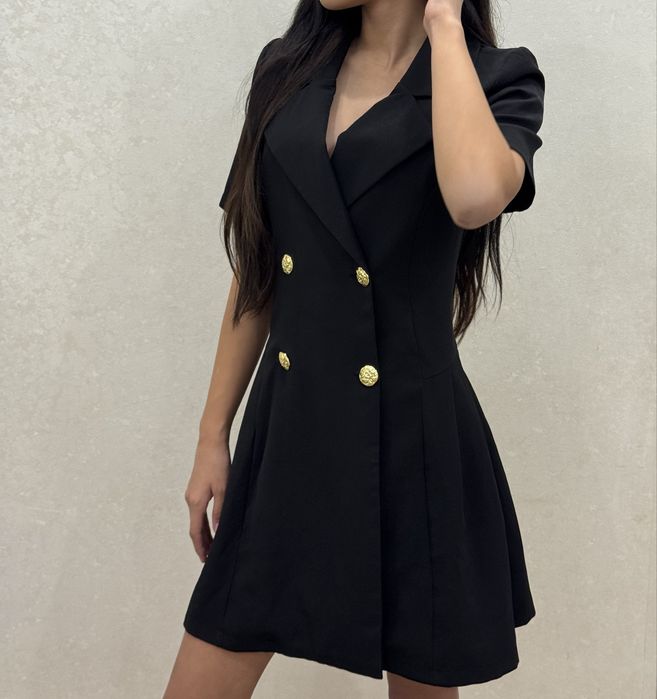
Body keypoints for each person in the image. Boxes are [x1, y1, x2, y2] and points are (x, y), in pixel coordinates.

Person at [163, 0, 545, 696]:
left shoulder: (495, 79)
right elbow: (259, 266)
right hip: (289, 426)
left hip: (414, 438)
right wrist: (212, 434)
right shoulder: (285, 70)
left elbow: (473, 199)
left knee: (422, 676)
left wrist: (443, 23)